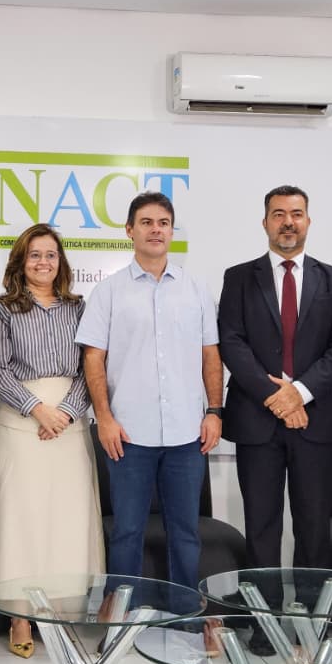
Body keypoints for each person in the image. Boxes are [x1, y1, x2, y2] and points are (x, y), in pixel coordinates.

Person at [76, 191, 223, 588]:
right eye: (146, 222)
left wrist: (214, 411)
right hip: (128, 436)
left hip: (187, 435)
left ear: (172, 231)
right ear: (129, 230)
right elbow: (93, 359)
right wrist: (104, 418)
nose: (155, 230)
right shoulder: (108, 292)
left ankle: (185, 614)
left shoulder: (196, 290)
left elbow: (210, 355)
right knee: (126, 532)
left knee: (186, 533)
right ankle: (122, 615)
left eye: (163, 223)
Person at [0, 225, 104, 657]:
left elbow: (91, 367)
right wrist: (37, 409)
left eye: (50, 255)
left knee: (66, 520)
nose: (43, 262)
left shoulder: (79, 308)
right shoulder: (2, 309)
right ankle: (20, 616)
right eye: (34, 255)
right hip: (20, 426)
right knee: (21, 520)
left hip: (69, 425)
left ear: (60, 262)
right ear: (20, 262)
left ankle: (60, 613)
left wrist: (65, 411)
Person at [218, 185, 332, 569]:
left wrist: (299, 392)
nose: (288, 222)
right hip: (256, 420)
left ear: (308, 221)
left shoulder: (331, 278)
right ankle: (262, 609)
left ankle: (310, 607)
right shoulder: (239, 277)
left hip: (316, 418)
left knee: (314, 528)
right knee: (261, 526)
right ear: (265, 222)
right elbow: (232, 342)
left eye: (296, 214)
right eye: (278, 214)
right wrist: (275, 397)